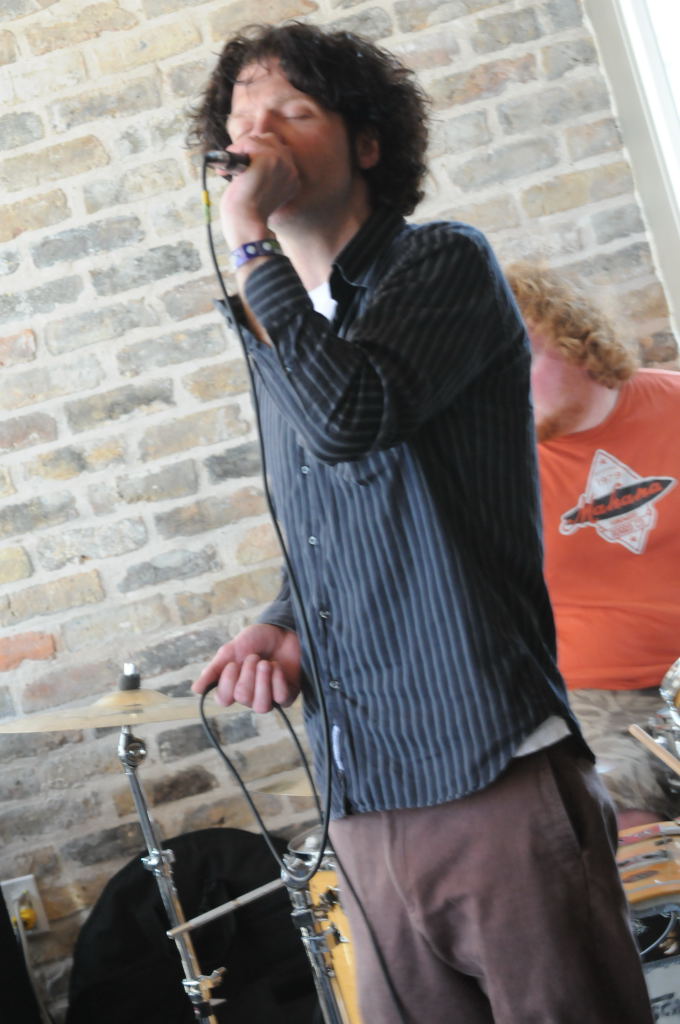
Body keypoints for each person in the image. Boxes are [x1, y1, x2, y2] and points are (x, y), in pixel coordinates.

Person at [190, 23, 653, 1023]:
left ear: (367, 143)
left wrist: (249, 243)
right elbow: (343, 512)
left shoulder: (441, 263)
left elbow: (350, 419)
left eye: (292, 112)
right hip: (363, 791)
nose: (255, 136)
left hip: (488, 768)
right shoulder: (286, 321)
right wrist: (286, 622)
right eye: (240, 120)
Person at [506, 261, 680, 831]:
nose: (506, 386)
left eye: (520, 359)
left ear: (578, 342)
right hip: (599, 694)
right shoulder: (496, 473)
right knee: (606, 813)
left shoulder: (673, 404)